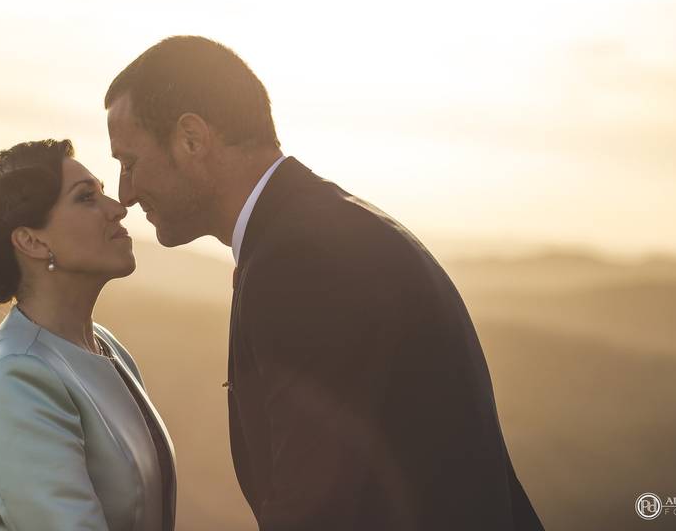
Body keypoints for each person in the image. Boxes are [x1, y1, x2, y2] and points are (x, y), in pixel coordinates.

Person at [105, 36, 545, 530]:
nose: (126, 191)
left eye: (129, 162)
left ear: (191, 138)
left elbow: (317, 508)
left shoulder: (301, 262)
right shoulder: (320, 230)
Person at [0, 139, 175, 531]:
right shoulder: (17, 374)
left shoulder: (104, 346)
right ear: (32, 241)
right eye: (86, 197)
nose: (119, 208)